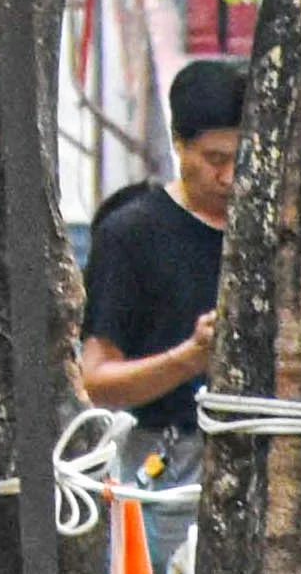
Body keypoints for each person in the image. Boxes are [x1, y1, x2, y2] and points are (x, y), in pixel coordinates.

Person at [75, 58, 240, 444]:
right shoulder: (131, 234)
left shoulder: (285, 229)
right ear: (179, 145)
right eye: (215, 160)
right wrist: (188, 358)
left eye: (242, 158)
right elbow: (95, 380)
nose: (229, 177)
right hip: (165, 460)